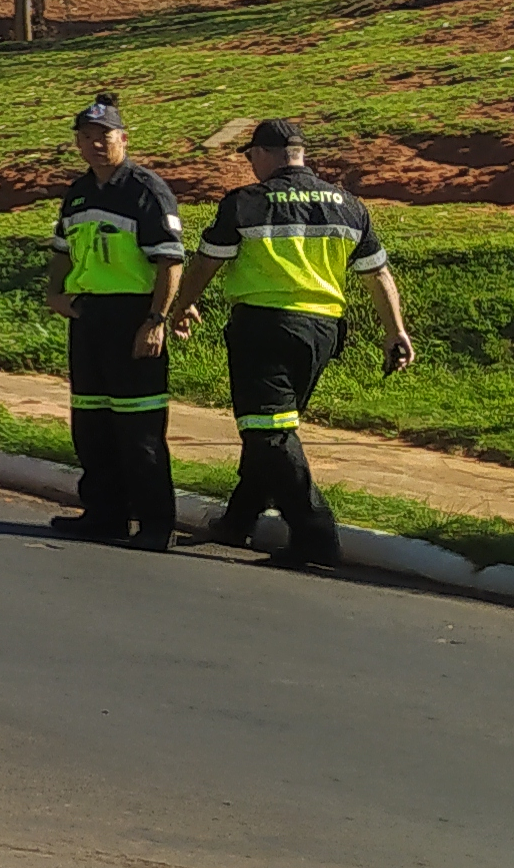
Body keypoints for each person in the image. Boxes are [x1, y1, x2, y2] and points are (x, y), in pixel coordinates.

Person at [172, 119, 414, 568]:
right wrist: (394, 330)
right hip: (322, 332)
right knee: (271, 426)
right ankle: (238, 520)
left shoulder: (246, 202)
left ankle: (316, 534)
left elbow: (207, 262)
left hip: (265, 328)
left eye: (250, 156)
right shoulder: (347, 204)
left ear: (265, 154)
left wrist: (182, 305)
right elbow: (377, 273)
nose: (250, 164)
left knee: (269, 432)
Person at [41, 93, 186, 550]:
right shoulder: (79, 192)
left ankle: (156, 525)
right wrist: (55, 295)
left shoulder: (145, 190)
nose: (95, 144)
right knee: (92, 424)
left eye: (104, 136)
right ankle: (104, 515)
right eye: (86, 137)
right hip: (89, 319)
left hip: (133, 318)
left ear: (123, 138)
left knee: (139, 430)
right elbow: (63, 251)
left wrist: (157, 319)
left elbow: (170, 261)